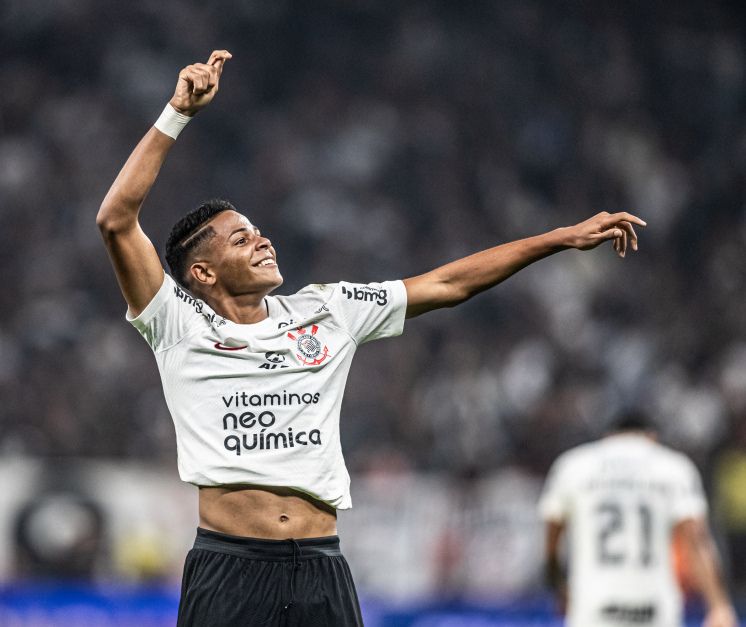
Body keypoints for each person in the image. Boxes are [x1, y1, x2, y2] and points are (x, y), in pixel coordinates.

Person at [97, 49, 646, 626]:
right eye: (239, 240)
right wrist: (177, 113)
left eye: (258, 232)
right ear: (202, 274)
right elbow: (115, 218)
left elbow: (448, 283)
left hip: (321, 565)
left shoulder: (327, 309)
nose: (262, 242)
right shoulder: (176, 325)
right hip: (229, 566)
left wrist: (558, 238)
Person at [539, 411, 738, 627]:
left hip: (593, 606)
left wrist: (558, 587)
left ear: (607, 437)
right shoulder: (673, 467)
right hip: (654, 607)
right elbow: (696, 540)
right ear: (651, 438)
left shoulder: (573, 465)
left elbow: (551, 541)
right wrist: (718, 605)